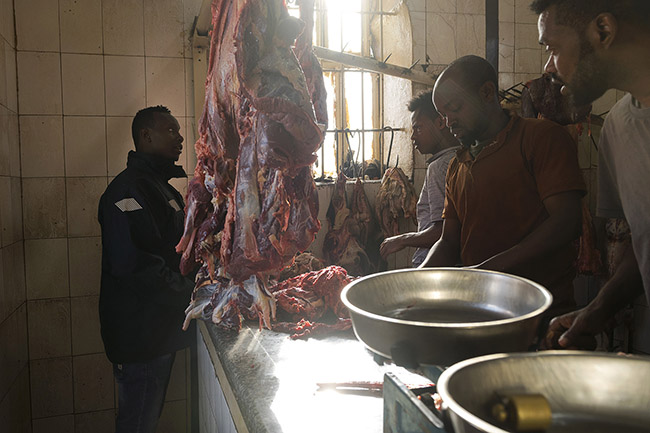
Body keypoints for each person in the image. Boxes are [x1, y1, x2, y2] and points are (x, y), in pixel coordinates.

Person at [421, 55, 586, 319]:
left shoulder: (541, 138)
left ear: (487, 93)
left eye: (455, 108)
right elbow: (449, 241)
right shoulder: (457, 166)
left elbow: (567, 222)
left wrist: (488, 272)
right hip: (479, 314)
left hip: (541, 316)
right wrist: (415, 283)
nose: (448, 121)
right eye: (443, 115)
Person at [531, 0, 650, 349]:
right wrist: (596, 311)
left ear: (603, 31)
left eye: (552, 48)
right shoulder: (618, 128)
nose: (548, 65)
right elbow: (643, 246)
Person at [98, 105, 195, 433]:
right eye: (171, 130)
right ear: (145, 136)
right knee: (137, 424)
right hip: (140, 337)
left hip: (155, 333)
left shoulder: (159, 187)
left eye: (179, 131)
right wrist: (193, 295)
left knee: (143, 420)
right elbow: (135, 266)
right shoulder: (129, 191)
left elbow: (173, 248)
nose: (180, 138)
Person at [379, 91, 459, 267]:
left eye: (418, 128)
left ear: (440, 123)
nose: (413, 136)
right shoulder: (459, 158)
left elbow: (443, 232)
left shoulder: (439, 168)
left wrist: (402, 240)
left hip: (435, 267)